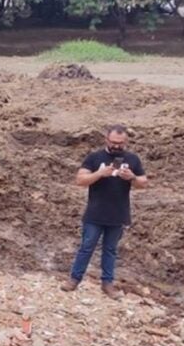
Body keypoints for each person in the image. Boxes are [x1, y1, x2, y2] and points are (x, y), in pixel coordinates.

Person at [61, 124, 149, 297]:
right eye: (114, 142)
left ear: (126, 141)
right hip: (95, 213)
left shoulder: (133, 159)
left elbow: (144, 183)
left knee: (111, 250)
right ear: (106, 139)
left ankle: (107, 284)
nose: (117, 146)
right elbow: (80, 180)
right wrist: (100, 174)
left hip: (118, 213)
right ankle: (74, 279)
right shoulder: (95, 157)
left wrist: (132, 177)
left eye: (121, 143)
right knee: (87, 247)